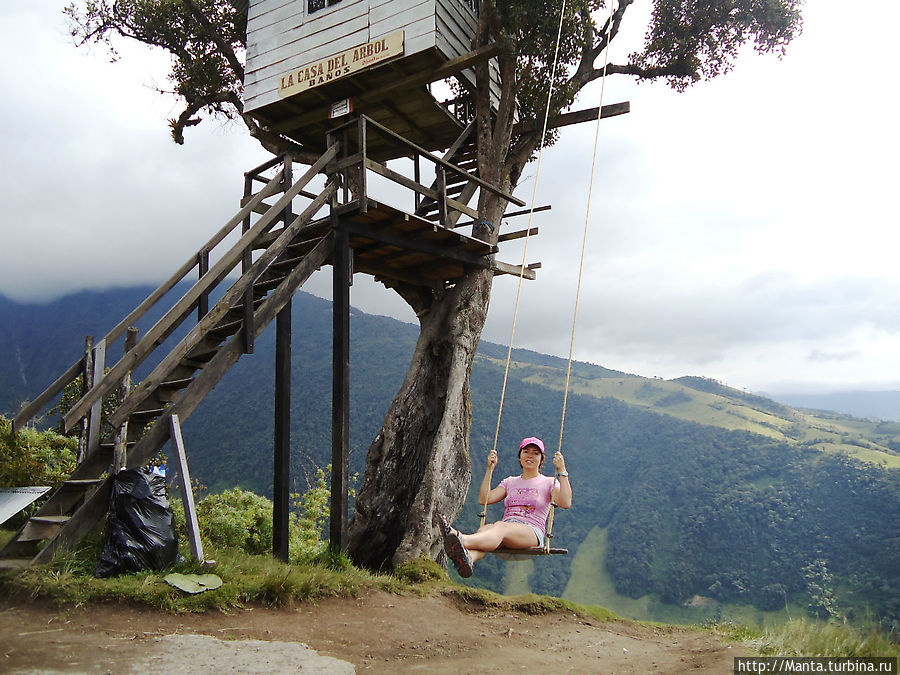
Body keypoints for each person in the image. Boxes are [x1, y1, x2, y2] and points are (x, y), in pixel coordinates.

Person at [442, 436, 572, 577]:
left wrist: (562, 470)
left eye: (536, 453)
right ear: (520, 457)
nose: (530, 455)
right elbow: (484, 499)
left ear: (541, 459)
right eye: (526, 451)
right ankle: (468, 559)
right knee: (485, 530)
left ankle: (460, 538)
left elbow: (565, 502)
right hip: (506, 529)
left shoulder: (548, 482)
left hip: (532, 532)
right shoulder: (510, 482)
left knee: (499, 527)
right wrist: (489, 469)